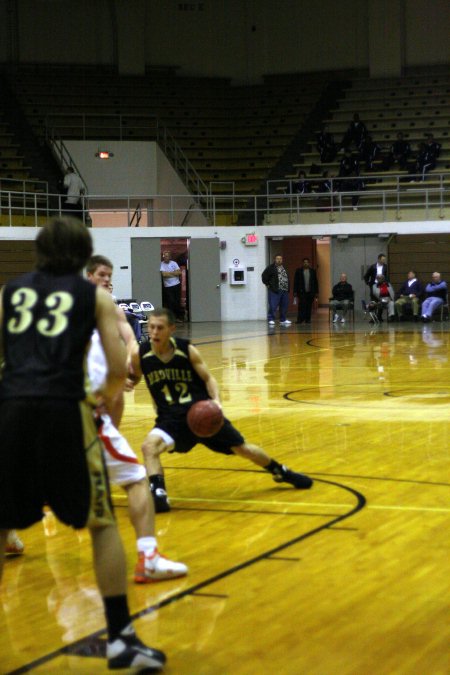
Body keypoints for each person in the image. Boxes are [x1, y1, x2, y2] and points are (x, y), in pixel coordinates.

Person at [0, 217, 166, 671]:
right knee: (101, 521)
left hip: (11, 409)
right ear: (80, 254)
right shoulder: (93, 296)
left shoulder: (9, 293)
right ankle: (121, 639)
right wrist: (100, 395)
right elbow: (117, 369)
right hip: (63, 410)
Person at [132, 308, 312, 514]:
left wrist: (216, 402)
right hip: (170, 419)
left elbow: (209, 378)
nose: (154, 332)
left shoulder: (186, 350)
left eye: (160, 328)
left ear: (171, 329)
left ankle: (281, 471)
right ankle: (158, 493)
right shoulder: (142, 354)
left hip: (202, 413)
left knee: (243, 449)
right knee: (149, 447)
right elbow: (135, 375)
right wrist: (129, 381)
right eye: (151, 327)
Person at [86, 255, 188, 583]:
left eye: (110, 276)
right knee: (134, 477)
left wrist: (133, 366)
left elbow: (131, 342)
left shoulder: (112, 309)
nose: (107, 280)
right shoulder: (75, 307)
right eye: (102, 275)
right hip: (81, 403)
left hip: (97, 398)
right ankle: (147, 557)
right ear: (87, 275)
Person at [261, 254, 291, 326]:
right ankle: (271, 319)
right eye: (277, 259)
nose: (279, 260)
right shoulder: (271, 268)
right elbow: (264, 276)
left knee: (284, 305)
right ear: (275, 259)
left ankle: (283, 319)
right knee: (273, 305)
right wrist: (268, 285)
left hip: (284, 290)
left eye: (280, 259)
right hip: (275, 290)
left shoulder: (284, 268)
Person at [160, 250, 184, 322]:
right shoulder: (161, 264)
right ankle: (171, 318)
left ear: (170, 257)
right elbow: (164, 275)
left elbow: (179, 272)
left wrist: (168, 274)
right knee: (170, 302)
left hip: (176, 285)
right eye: (164, 256)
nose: (166, 257)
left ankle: (178, 317)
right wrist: (174, 273)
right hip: (168, 286)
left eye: (167, 256)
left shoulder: (174, 263)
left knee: (177, 301)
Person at [293, 258, 319, 324]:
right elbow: (295, 282)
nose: (306, 263)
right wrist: (295, 292)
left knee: (309, 306)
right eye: (304, 262)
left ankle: (308, 319)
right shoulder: (298, 271)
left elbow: (316, 282)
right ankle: (300, 319)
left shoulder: (312, 271)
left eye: (307, 262)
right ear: (302, 263)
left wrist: (316, 292)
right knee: (301, 306)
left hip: (310, 292)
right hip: (301, 292)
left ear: (309, 263)